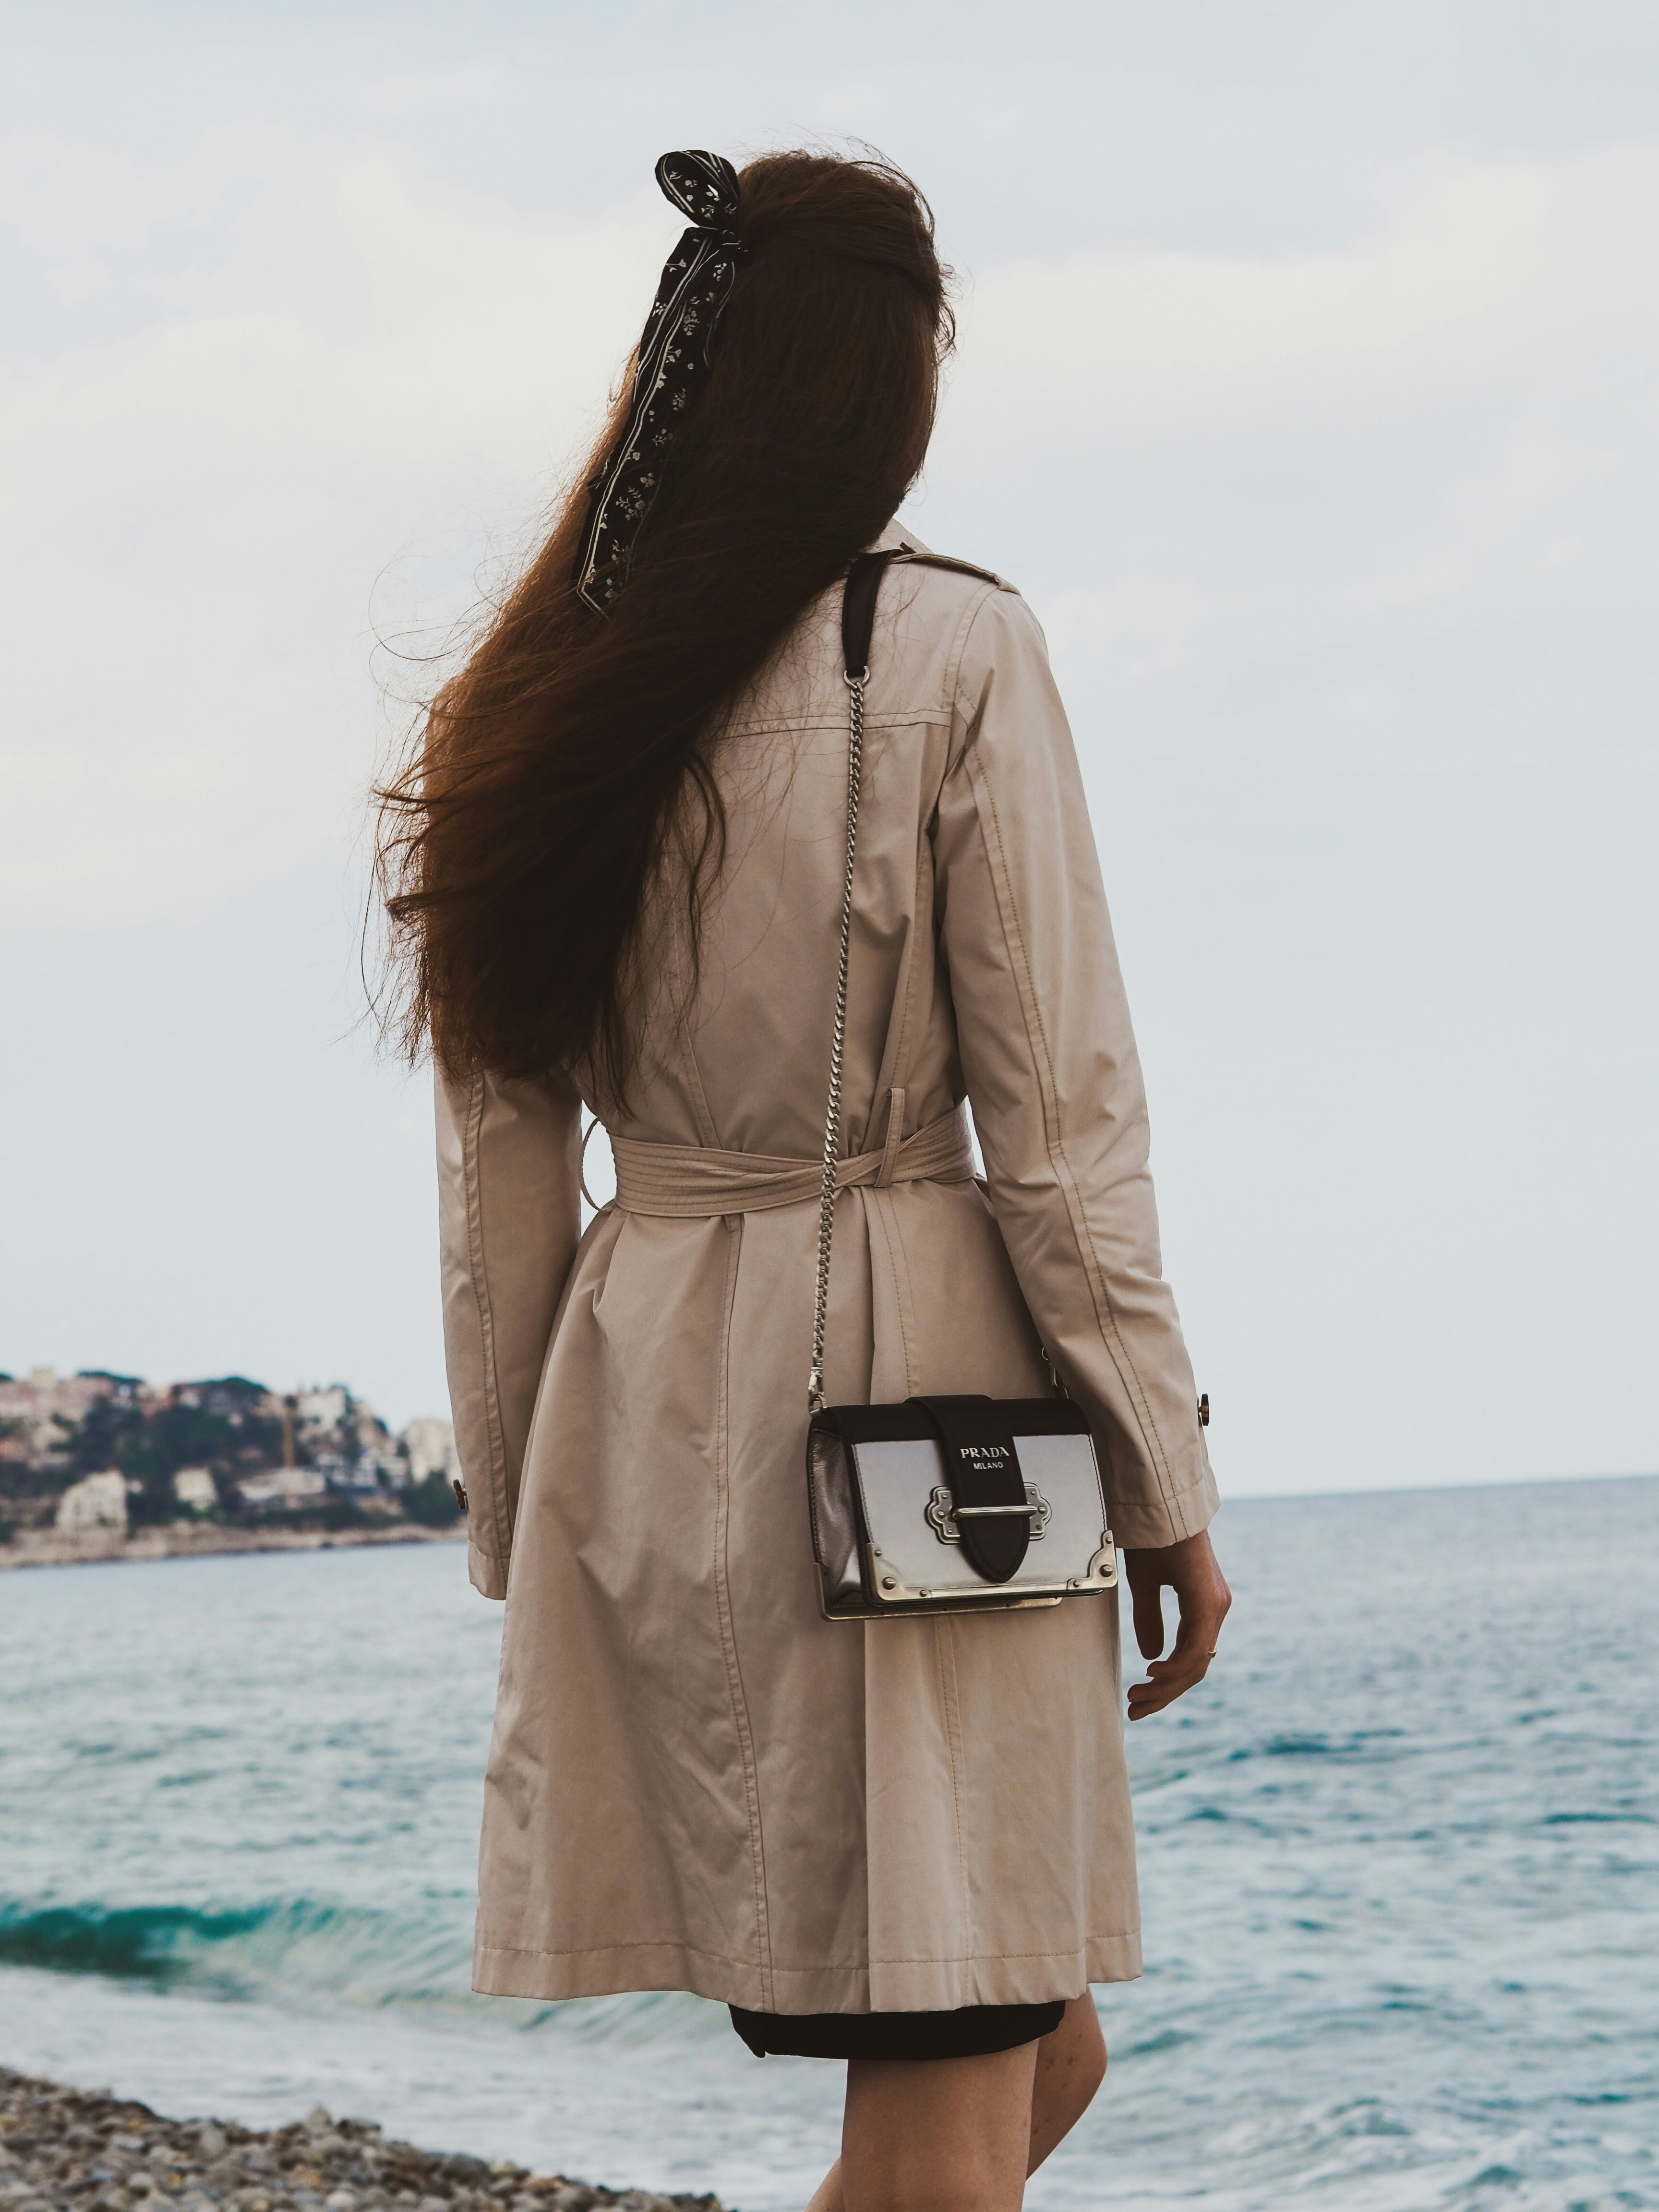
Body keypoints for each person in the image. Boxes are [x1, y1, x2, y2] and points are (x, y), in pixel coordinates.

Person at [378, 147, 1229, 2212]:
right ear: (885, 389)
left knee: (1037, 2038)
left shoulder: (531, 701)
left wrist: (530, 1514)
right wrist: (1162, 1478)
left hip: (654, 1411)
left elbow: (498, 1200)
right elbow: (1059, 1135)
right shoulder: (943, 646)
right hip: (928, 1425)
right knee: (958, 2089)